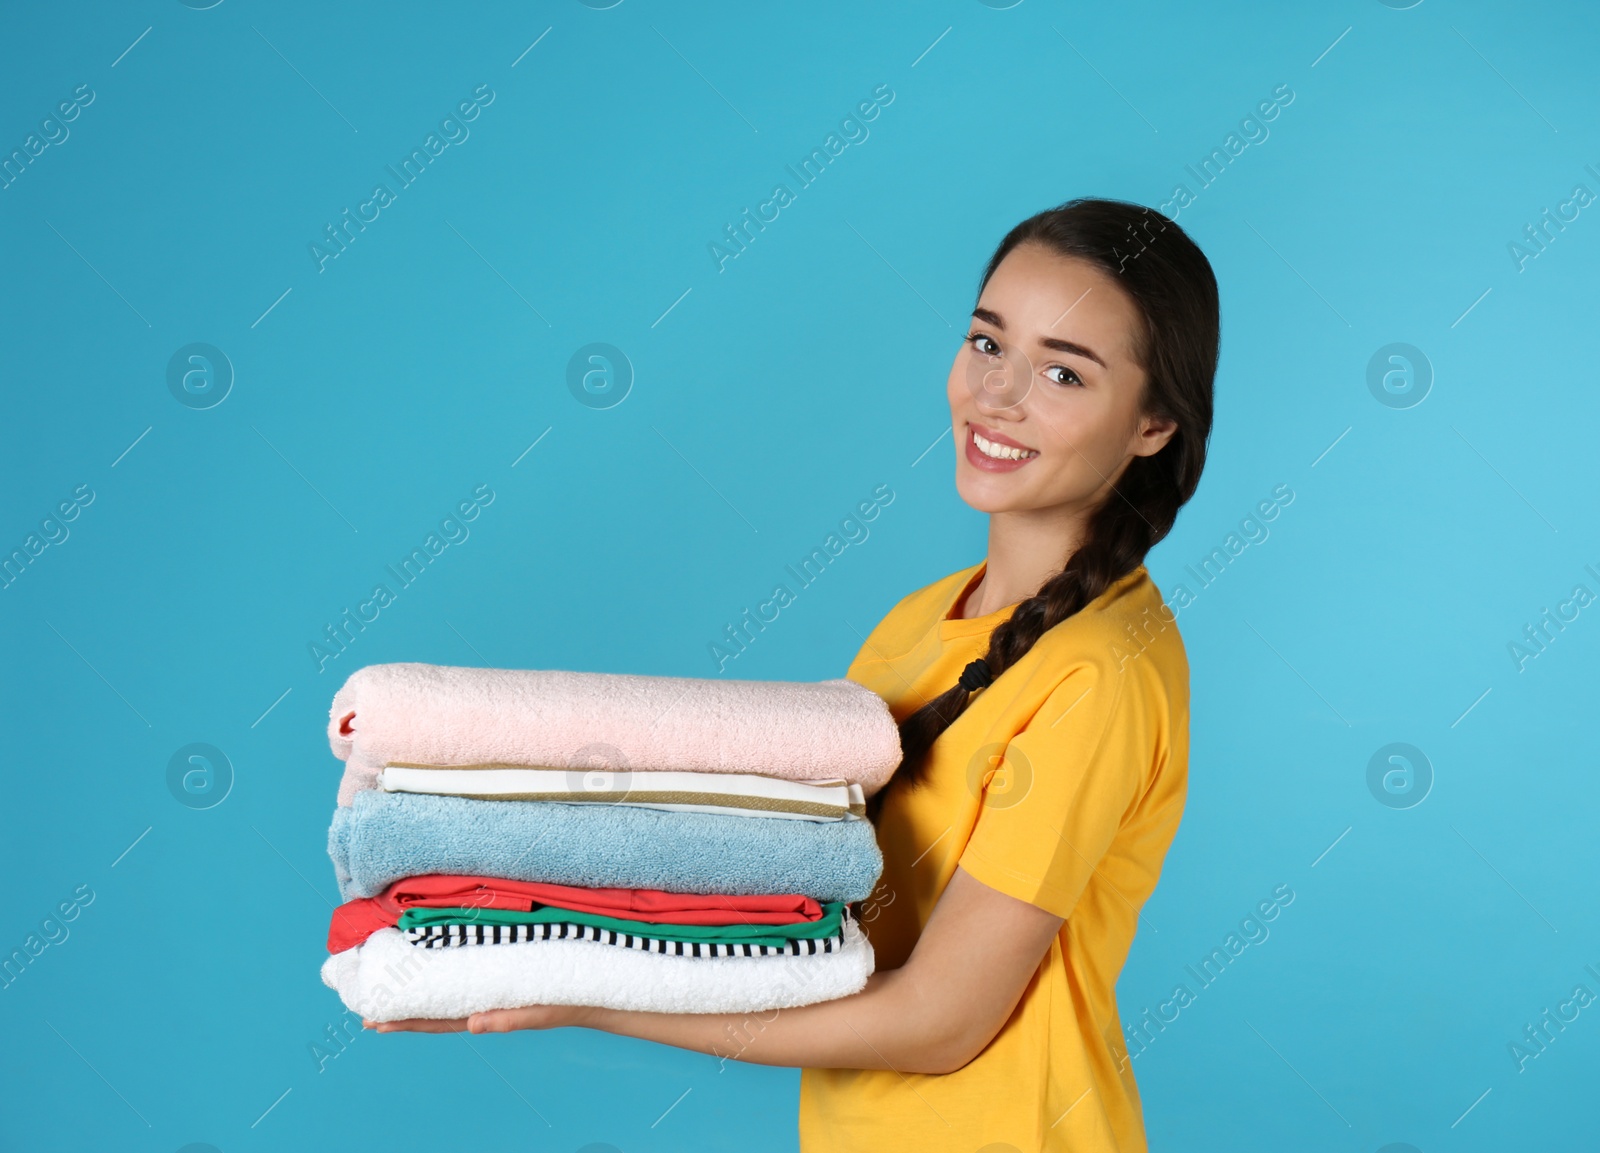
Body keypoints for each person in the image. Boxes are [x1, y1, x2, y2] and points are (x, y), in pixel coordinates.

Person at [371, 196, 1219, 1152]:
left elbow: (941, 1021)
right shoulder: (919, 621)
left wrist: (583, 993)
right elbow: (795, 892)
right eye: (988, 344)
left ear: (1152, 423)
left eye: (1064, 372)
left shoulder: (1103, 672)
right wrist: (521, 910)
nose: (999, 396)